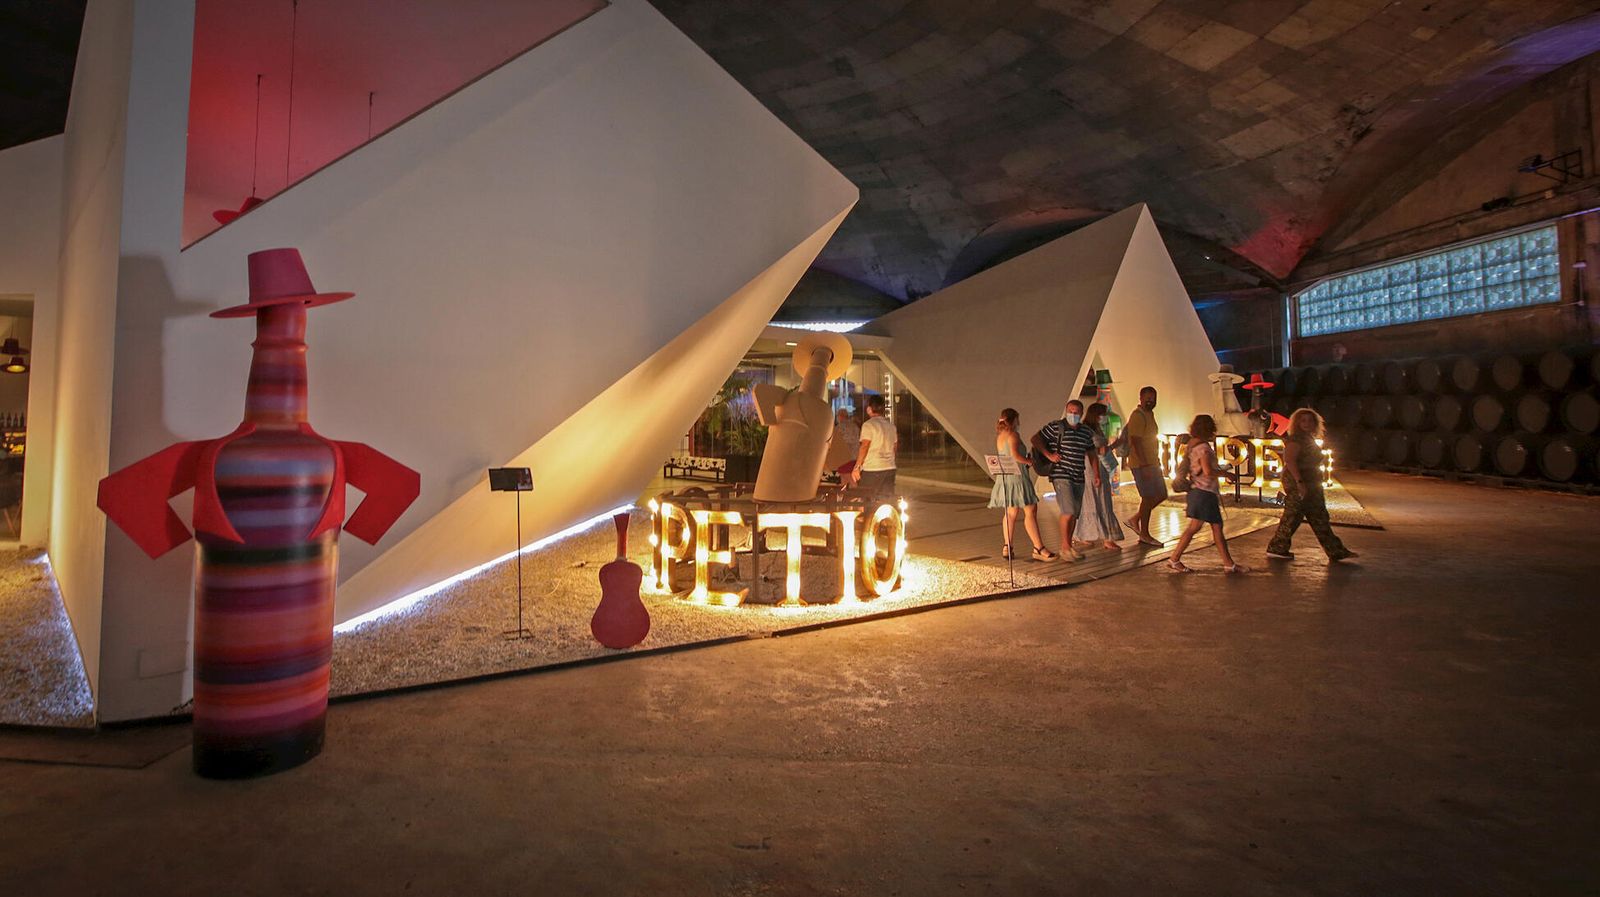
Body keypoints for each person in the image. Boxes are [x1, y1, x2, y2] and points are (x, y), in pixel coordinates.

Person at [1266, 408, 1358, 563]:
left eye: (1310, 420)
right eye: (1303, 420)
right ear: (1297, 423)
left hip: (1311, 481)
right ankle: (1277, 547)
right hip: (1300, 481)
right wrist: (1299, 483)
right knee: (1294, 515)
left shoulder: (1308, 439)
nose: (1307, 423)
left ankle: (1335, 550)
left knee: (1317, 515)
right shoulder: (1295, 440)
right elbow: (1290, 461)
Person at [1167, 414, 1248, 574]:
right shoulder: (1203, 448)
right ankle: (1228, 564)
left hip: (1196, 491)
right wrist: (1227, 475)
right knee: (1215, 528)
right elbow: (1208, 471)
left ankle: (1175, 559)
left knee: (1196, 528)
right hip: (1205, 492)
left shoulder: (1192, 445)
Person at [1032, 399, 1098, 562]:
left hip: (1078, 475)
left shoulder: (1086, 432)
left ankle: (1068, 546)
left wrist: (1096, 474)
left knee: (1074, 513)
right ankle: (1065, 547)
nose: (1073, 415)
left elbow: (1091, 453)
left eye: (1076, 412)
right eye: (1070, 411)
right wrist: (1049, 455)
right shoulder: (1056, 427)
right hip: (1061, 474)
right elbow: (1035, 438)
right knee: (1067, 511)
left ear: (1081, 414)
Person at [988, 408, 1057, 561]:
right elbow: (1015, 455)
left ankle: (1007, 546)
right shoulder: (1013, 435)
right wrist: (1029, 461)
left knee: (1011, 513)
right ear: (1013, 420)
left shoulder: (1000, 436)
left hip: (1006, 478)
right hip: (1018, 477)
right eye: (1018, 419)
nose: (1019, 422)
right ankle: (1039, 548)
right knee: (1030, 510)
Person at [1117, 386, 1166, 546]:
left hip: (1152, 462)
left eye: (1153, 397)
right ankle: (1144, 533)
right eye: (1148, 397)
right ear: (1140, 398)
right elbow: (1136, 441)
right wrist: (1144, 465)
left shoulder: (1149, 414)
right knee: (1148, 497)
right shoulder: (1138, 416)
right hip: (1142, 464)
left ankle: (1135, 519)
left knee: (1161, 494)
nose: (1151, 400)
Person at [1076, 402, 1125, 550]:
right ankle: (1107, 538)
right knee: (1102, 501)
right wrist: (1116, 444)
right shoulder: (1090, 431)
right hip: (1094, 469)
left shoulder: (1090, 429)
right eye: (1103, 415)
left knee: (1090, 501)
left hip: (1092, 468)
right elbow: (1100, 451)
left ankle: (1086, 534)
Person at [852, 394, 897, 500]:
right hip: (890, 468)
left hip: (873, 468)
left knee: (867, 500)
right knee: (886, 501)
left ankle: (869, 516)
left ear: (869, 409)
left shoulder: (868, 425)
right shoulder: (891, 426)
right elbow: (894, 447)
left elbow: (865, 446)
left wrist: (857, 467)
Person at [833, 407, 861, 480]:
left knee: (845, 480)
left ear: (840, 416)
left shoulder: (838, 428)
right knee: (853, 479)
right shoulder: (855, 427)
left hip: (844, 459)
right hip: (855, 458)